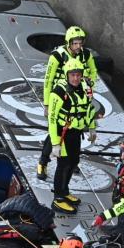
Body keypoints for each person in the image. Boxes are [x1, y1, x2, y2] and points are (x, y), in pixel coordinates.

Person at [37, 26, 98, 180]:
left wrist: (89, 86)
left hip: (78, 94)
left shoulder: (86, 54)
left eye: (80, 43)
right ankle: (43, 161)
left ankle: (72, 159)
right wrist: (47, 104)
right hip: (60, 96)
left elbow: (93, 72)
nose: (78, 46)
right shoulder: (57, 56)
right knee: (56, 130)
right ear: (68, 42)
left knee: (76, 129)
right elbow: (48, 80)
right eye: (75, 43)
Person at [47, 59, 97, 213]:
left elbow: (89, 109)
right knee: (63, 164)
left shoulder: (85, 87)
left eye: (78, 75)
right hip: (63, 133)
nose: (76, 78)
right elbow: (52, 119)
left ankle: (65, 191)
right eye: (72, 75)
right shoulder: (59, 92)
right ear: (67, 75)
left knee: (74, 161)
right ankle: (58, 198)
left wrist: (92, 128)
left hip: (76, 132)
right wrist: (55, 143)